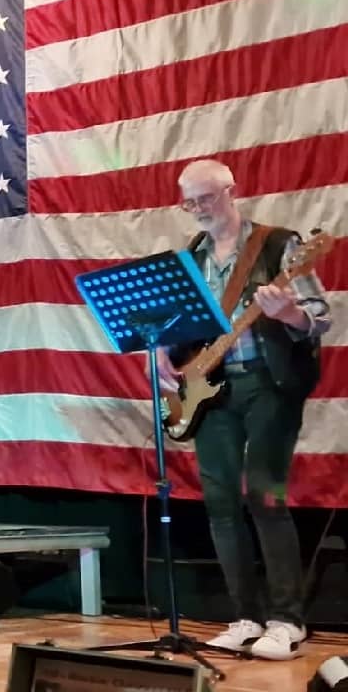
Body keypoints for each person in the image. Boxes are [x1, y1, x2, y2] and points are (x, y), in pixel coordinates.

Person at [157, 159, 330, 661]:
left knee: (265, 494)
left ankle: (287, 619)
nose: (197, 210)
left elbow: (319, 316)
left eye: (205, 199)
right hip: (212, 389)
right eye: (188, 201)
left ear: (232, 191)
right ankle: (246, 616)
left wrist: (289, 313)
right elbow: (181, 324)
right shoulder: (192, 255)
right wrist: (167, 354)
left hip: (268, 384)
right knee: (220, 504)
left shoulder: (280, 245)